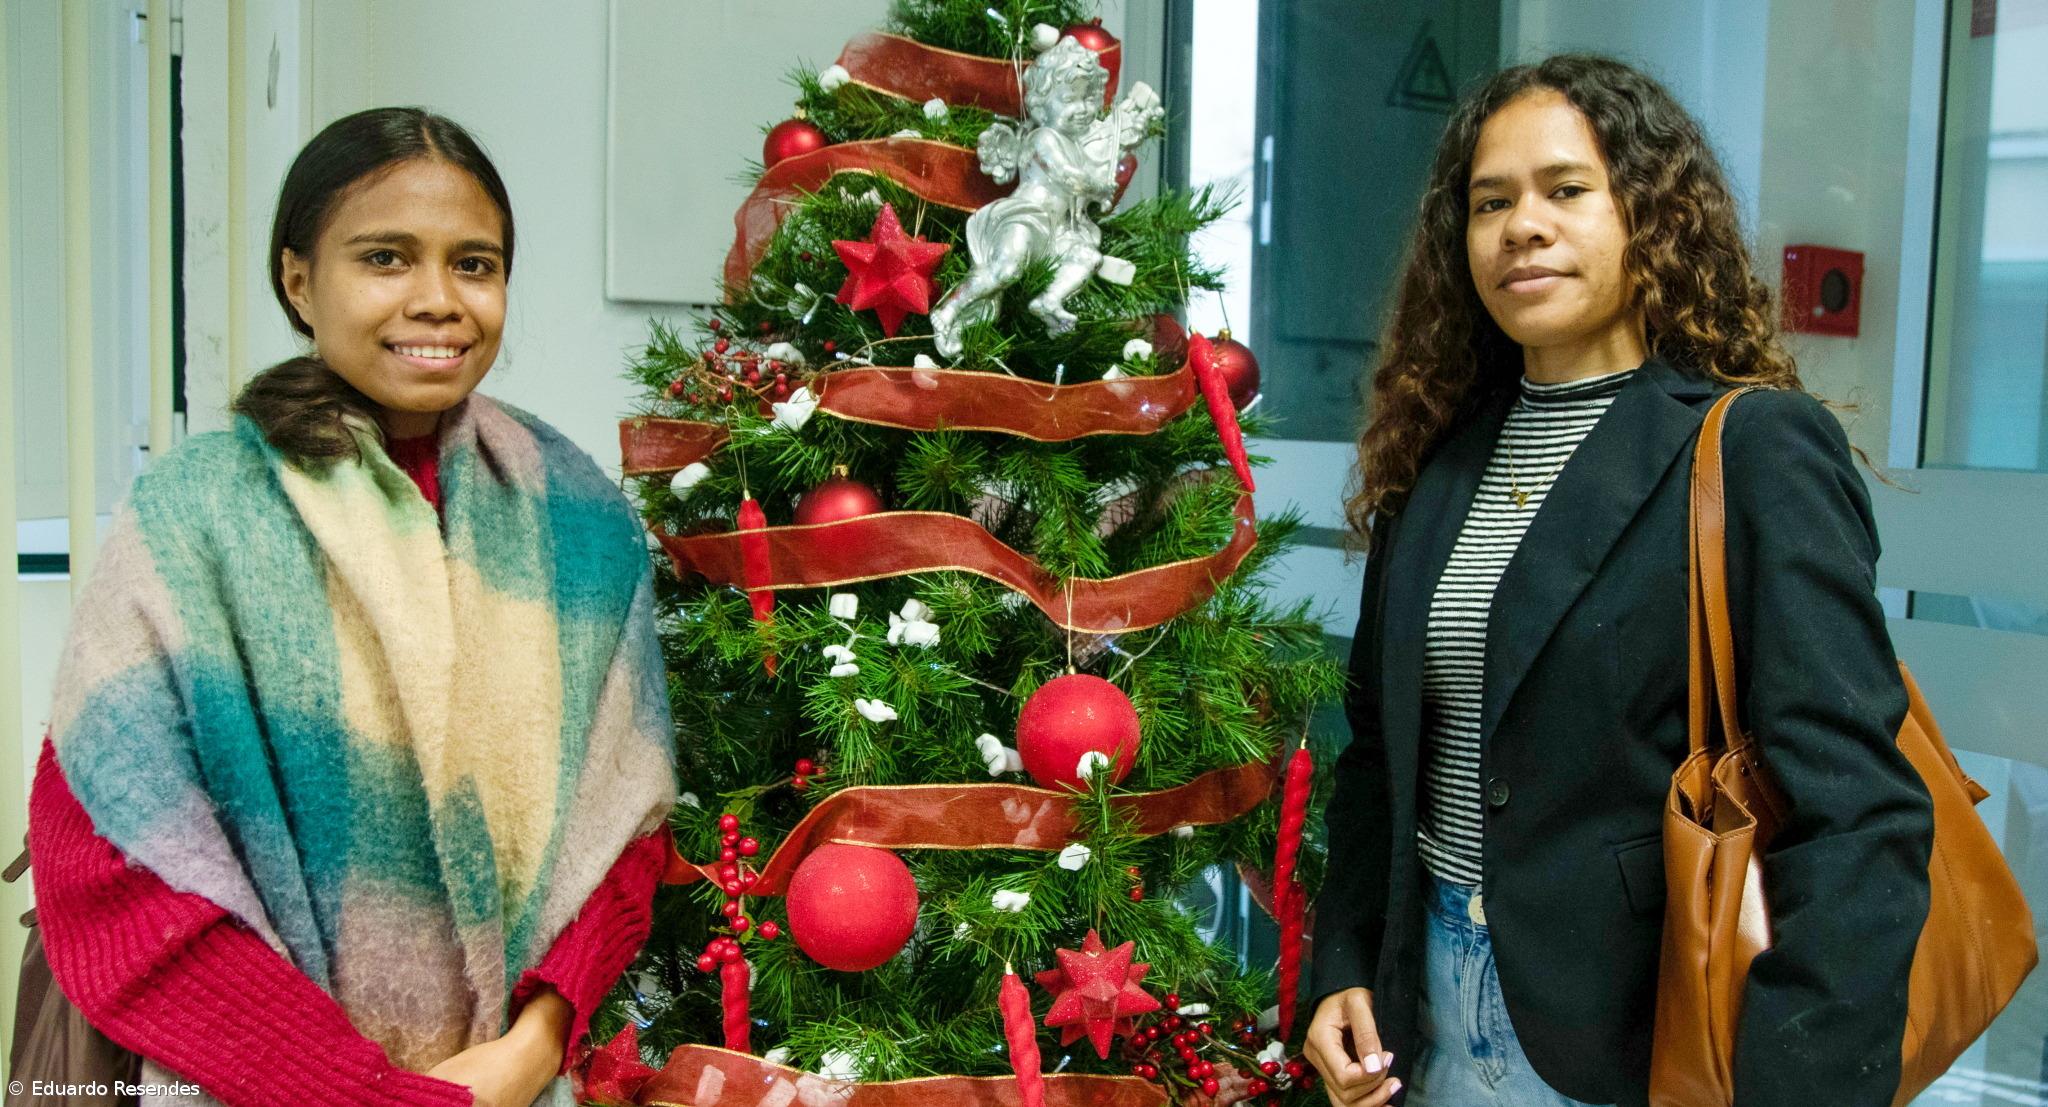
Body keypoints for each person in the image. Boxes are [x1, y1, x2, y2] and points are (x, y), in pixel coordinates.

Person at [1302, 55, 1934, 1107]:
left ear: (1647, 213)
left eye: (1564, 190)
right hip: (1417, 1014)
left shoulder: (1749, 450)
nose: (1520, 226)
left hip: (1636, 1031)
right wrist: (1346, 965)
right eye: (1488, 202)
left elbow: (1857, 812)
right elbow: (1378, 749)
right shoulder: (1442, 460)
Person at [26, 108, 678, 1107]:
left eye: (474, 264)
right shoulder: (194, 518)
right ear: (299, 280)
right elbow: (113, 860)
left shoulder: (578, 519)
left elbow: (622, 831)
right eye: (385, 258)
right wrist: (362, 1095)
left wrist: (530, 1049)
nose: (438, 301)